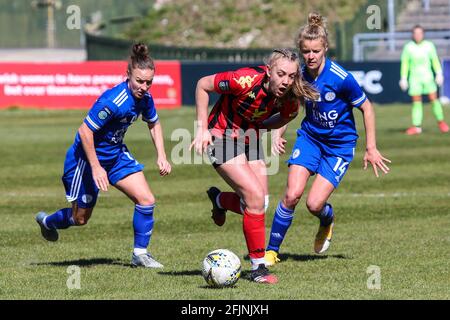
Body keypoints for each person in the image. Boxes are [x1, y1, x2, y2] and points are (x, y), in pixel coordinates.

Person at [265, 13, 391, 266]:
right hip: (310, 138)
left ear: (325, 49)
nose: (310, 56)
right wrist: (279, 133)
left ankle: (326, 219)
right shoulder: (299, 75)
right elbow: (292, 105)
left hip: (338, 148)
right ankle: (271, 252)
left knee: (314, 204)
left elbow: (367, 107)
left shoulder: (341, 78)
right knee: (292, 195)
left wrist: (371, 147)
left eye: (315, 51)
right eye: (306, 51)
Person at [35, 43, 171, 268]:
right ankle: (48, 221)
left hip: (116, 156)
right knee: (80, 219)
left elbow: (154, 123)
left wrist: (162, 155)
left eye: (149, 82)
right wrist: (97, 167)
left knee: (147, 200)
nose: (144, 87)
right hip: (85, 161)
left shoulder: (145, 99)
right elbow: (85, 131)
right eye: (139, 81)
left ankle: (140, 254)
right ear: (128, 75)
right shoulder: (113, 101)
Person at [190, 48, 318, 284]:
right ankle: (258, 268)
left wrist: (260, 127)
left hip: (249, 139)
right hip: (220, 136)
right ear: (269, 71)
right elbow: (202, 85)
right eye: (281, 74)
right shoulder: (243, 79)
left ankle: (219, 200)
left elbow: (285, 117)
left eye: (291, 76)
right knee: (255, 197)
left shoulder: (289, 99)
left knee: (260, 203)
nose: (286, 81)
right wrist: (201, 130)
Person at [399, 24, 449, 135]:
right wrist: (403, 78)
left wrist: (439, 73)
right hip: (414, 79)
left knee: (434, 100)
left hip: (427, 77)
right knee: (416, 102)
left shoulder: (429, 45)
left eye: (420, 33)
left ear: (423, 34)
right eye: (415, 33)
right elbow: (405, 63)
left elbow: (434, 60)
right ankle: (417, 126)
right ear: (413, 35)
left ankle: (441, 122)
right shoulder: (408, 47)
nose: (417, 35)